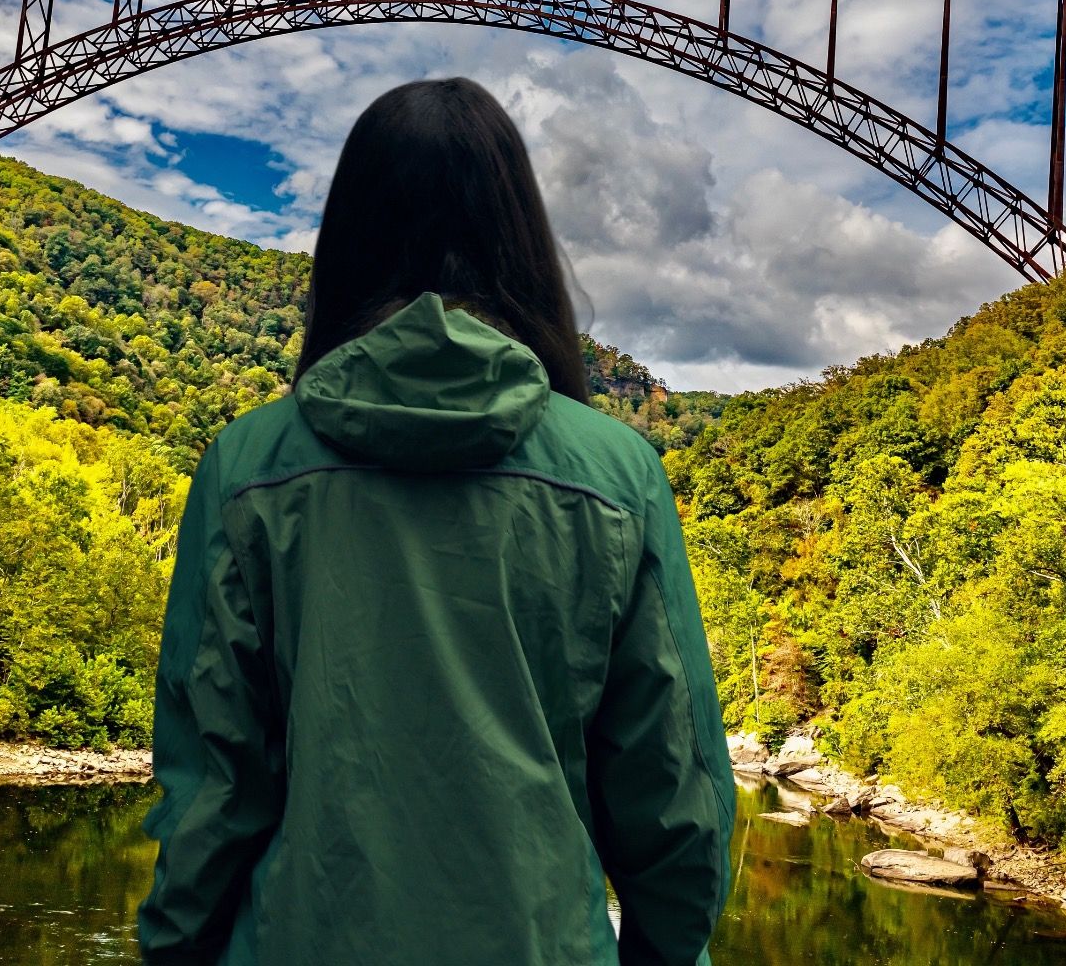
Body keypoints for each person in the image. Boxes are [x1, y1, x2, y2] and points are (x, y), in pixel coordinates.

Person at [137, 77, 734, 965]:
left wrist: (175, 950)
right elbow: (672, 791)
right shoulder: (617, 476)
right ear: (521, 238)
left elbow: (213, 787)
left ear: (348, 240)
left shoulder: (248, 468)